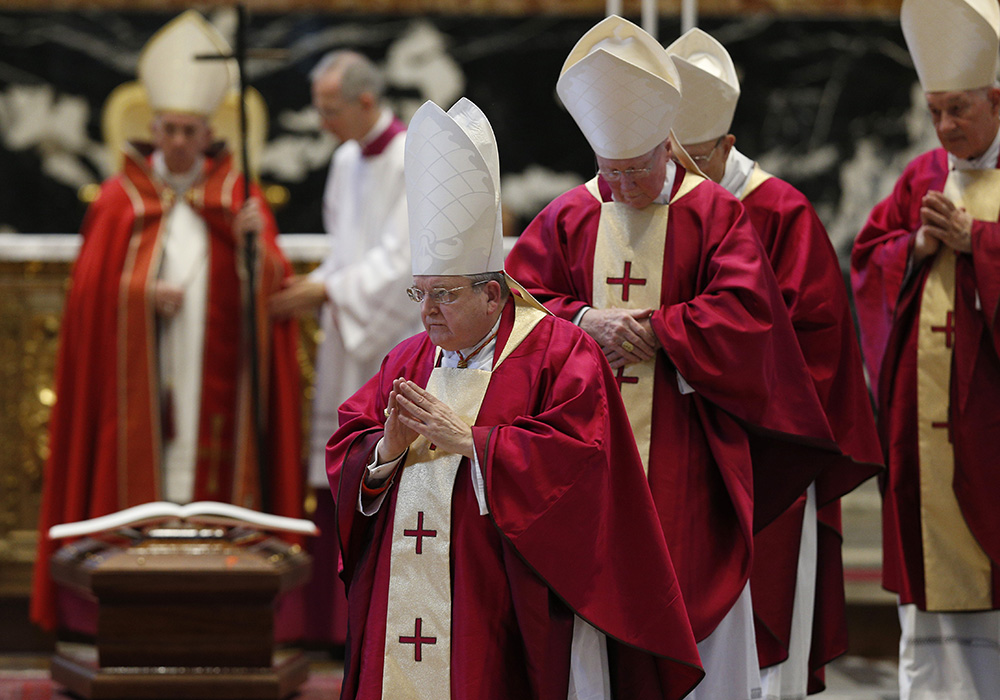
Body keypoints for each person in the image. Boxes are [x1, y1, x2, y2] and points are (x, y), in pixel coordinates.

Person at [506, 16, 870, 700]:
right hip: (592, 457)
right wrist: (585, 319)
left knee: (691, 617)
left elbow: (750, 314)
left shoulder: (715, 214)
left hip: (687, 456)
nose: (621, 189)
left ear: (665, 149)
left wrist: (665, 333)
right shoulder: (569, 216)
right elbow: (522, 306)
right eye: (608, 172)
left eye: (635, 171)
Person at [328, 96, 704, 700]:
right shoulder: (407, 358)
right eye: (419, 294)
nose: (427, 312)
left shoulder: (560, 355)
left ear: (495, 295)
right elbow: (351, 453)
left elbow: (585, 472)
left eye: (444, 295)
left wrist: (474, 446)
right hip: (406, 602)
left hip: (505, 609)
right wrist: (385, 453)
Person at [30, 10, 303, 631]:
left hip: (217, 394)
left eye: (190, 129)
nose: (179, 140)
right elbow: (93, 299)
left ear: (208, 133)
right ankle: (131, 617)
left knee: (210, 481)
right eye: (169, 129)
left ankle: (223, 617)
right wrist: (139, 296)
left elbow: (273, 297)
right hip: (141, 395)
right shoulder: (116, 201)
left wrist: (255, 255)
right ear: (151, 128)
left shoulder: (241, 198)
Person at [666, 28, 883, 699]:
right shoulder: (651, 211)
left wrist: (687, 351)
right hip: (671, 455)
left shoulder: (779, 211)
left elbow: (810, 352)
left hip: (764, 464)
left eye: (694, 159)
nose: (681, 177)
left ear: (728, 146)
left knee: (757, 660)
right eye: (667, 159)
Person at [851, 0, 1000, 697]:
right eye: (935, 110)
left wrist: (982, 247)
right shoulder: (921, 176)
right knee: (927, 619)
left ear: (996, 100)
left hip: (991, 435)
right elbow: (867, 262)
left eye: (958, 110)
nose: (944, 127)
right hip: (924, 437)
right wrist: (917, 247)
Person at [269, 50, 420, 647]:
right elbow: (344, 250)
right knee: (341, 472)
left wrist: (329, 287)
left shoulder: (411, 157)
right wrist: (322, 283)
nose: (323, 122)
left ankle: (371, 622)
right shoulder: (343, 159)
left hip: (393, 339)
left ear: (365, 101)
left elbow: (402, 261)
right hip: (347, 337)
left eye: (331, 110)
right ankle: (330, 624)